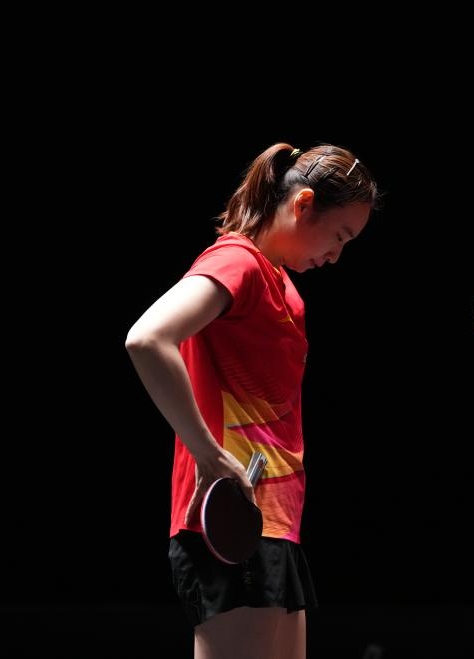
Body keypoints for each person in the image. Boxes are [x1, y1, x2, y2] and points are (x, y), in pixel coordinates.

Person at [126, 142, 380, 658]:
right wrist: (209, 456)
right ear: (303, 204)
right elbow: (147, 338)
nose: (337, 256)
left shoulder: (281, 285)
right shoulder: (236, 261)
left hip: (274, 519)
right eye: (339, 236)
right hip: (231, 520)